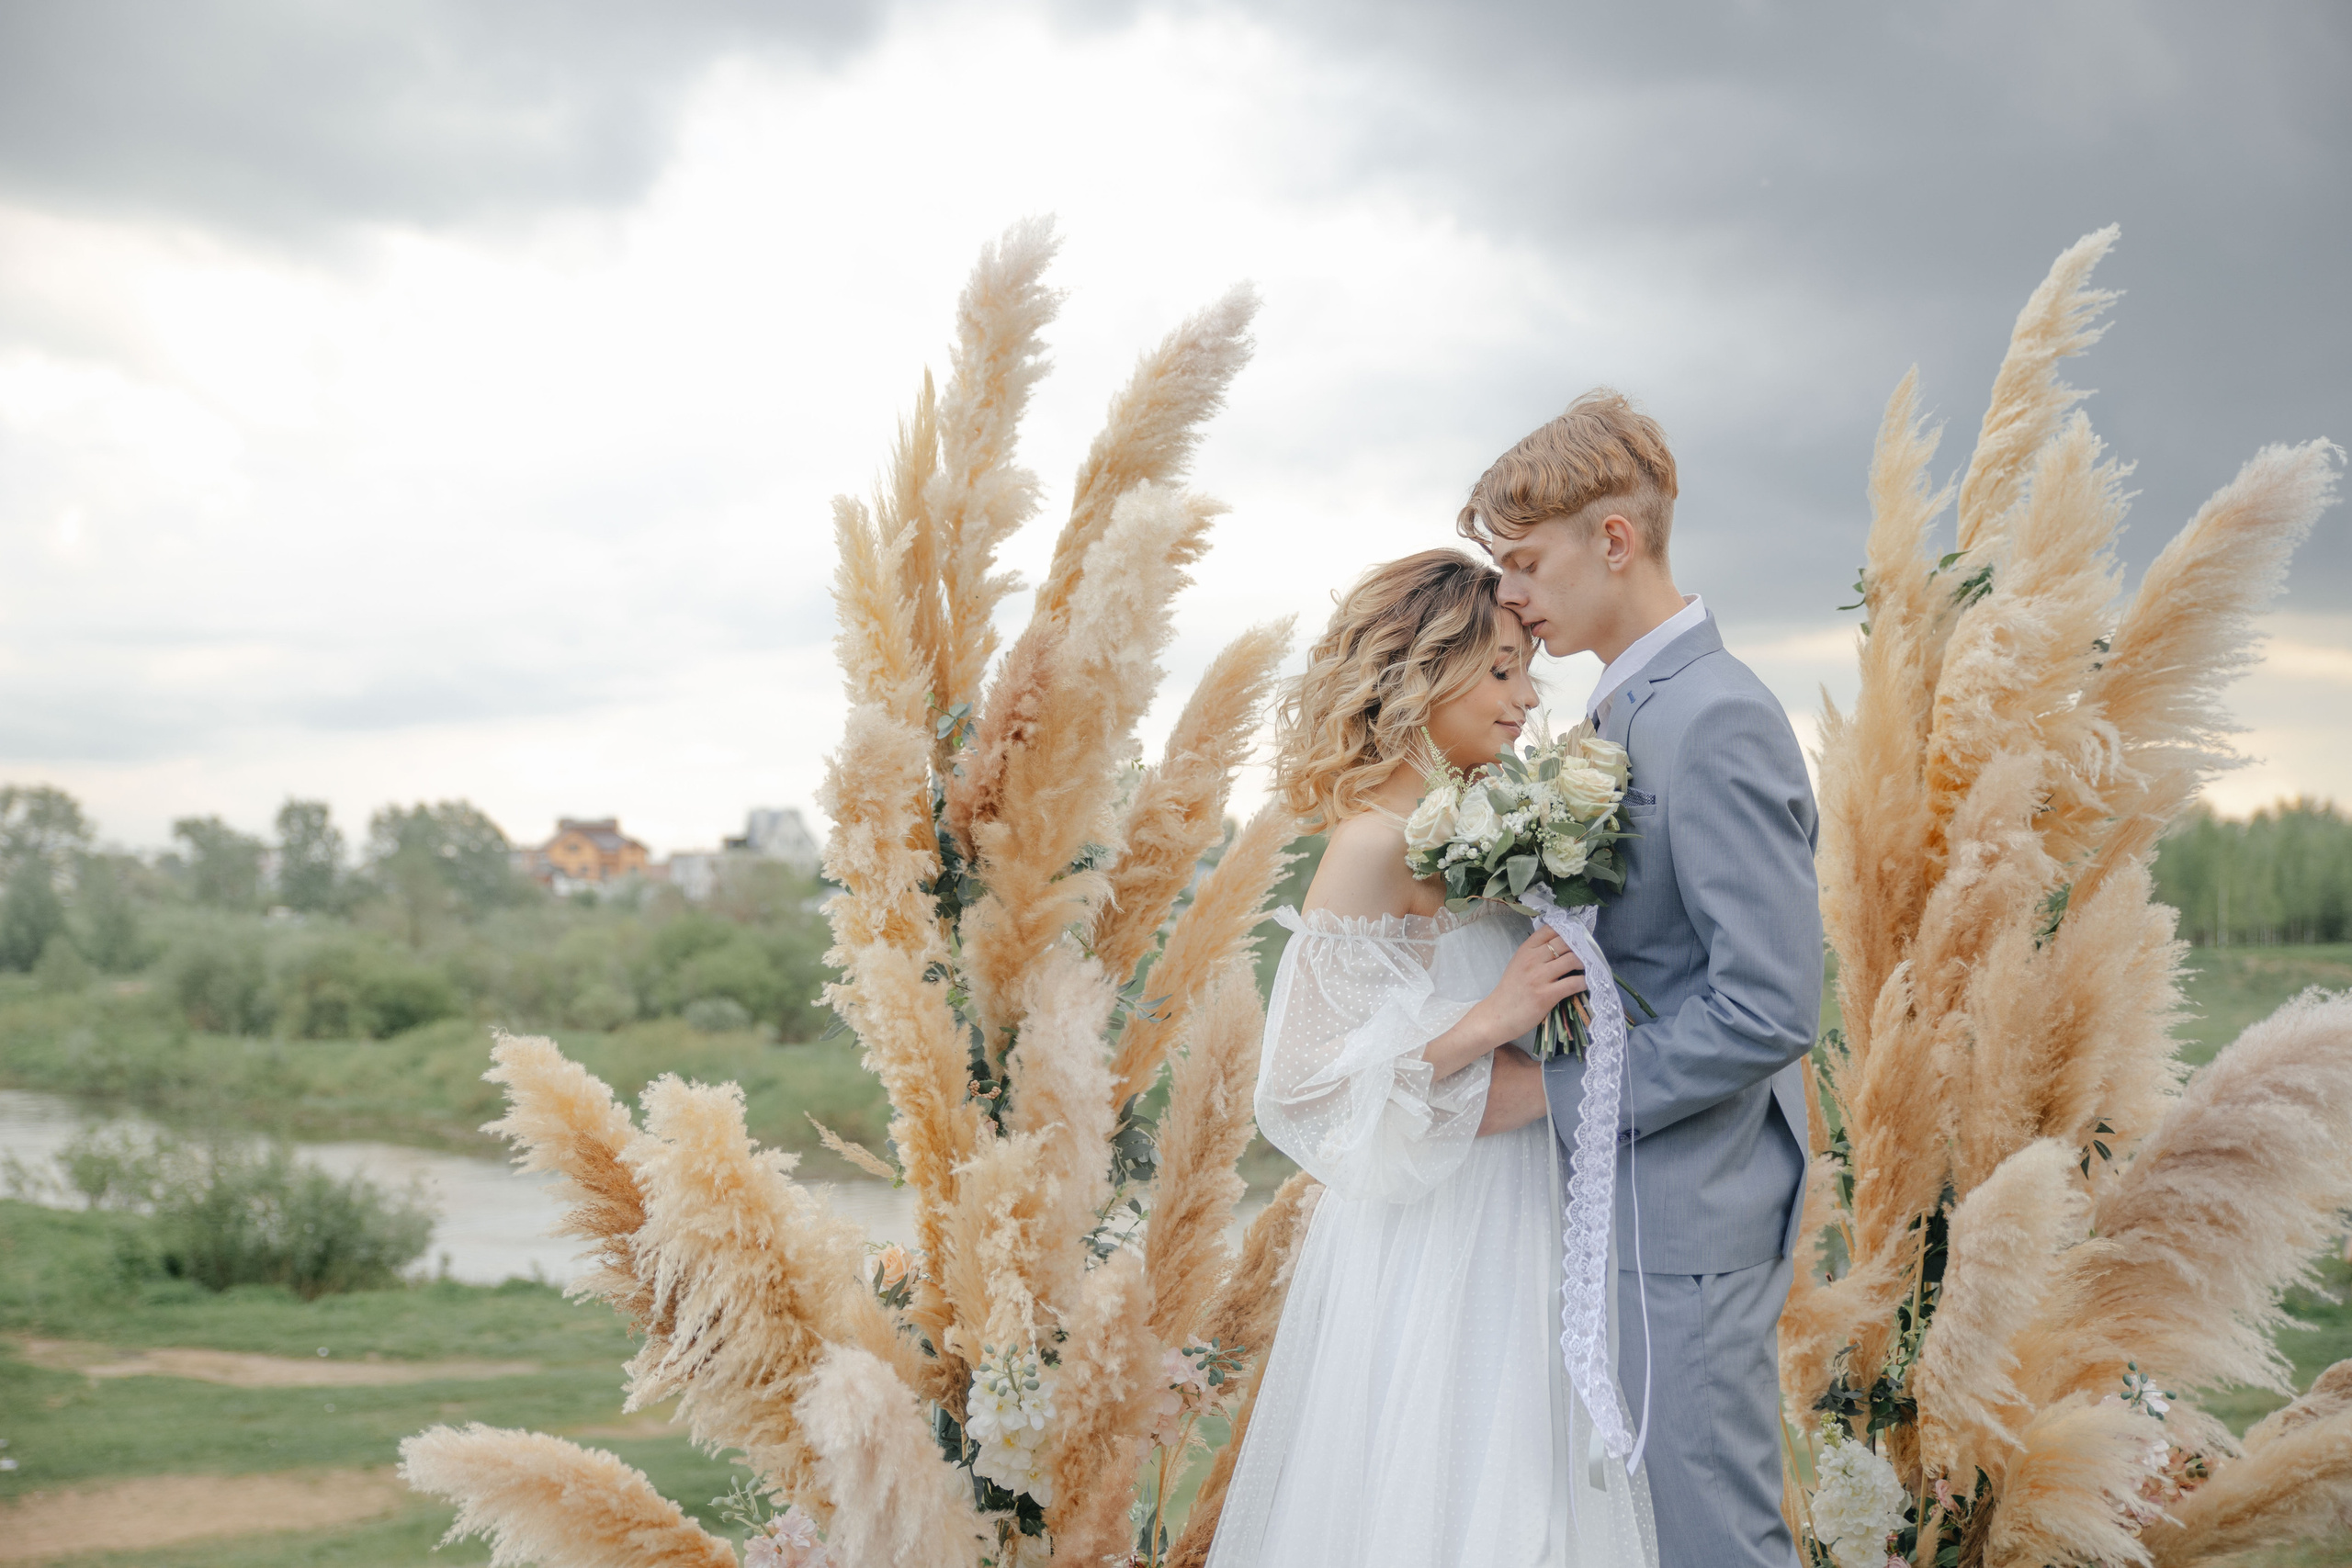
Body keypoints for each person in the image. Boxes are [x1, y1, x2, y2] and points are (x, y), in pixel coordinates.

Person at [1205, 550, 1659, 1568]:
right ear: (1420, 674)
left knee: (1534, 1501)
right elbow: (1307, 1086)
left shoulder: (1480, 827)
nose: (1525, 697)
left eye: (1523, 670)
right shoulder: (1372, 842)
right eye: (1499, 671)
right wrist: (1490, 1015)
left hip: (1523, 1208)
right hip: (1434, 1236)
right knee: (1453, 1502)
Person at [1461, 391, 1822, 1568]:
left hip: (1687, 1212)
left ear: (1613, 539)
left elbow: (1767, 1002)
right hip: (1624, 1201)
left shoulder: (1712, 718)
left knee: (1705, 1536)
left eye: (1524, 560)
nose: (1509, 594)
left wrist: (1547, 1099)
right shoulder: (1625, 707)